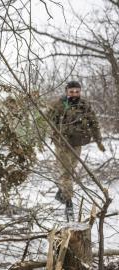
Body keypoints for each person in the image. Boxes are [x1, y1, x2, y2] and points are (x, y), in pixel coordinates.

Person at [48, 80, 105, 218]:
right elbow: (47, 119)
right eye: (71, 91)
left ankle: (62, 192)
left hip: (77, 143)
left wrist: (98, 140)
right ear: (67, 92)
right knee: (66, 173)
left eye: (77, 91)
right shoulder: (59, 104)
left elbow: (94, 122)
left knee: (70, 172)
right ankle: (69, 204)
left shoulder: (84, 105)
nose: (74, 94)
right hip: (62, 143)